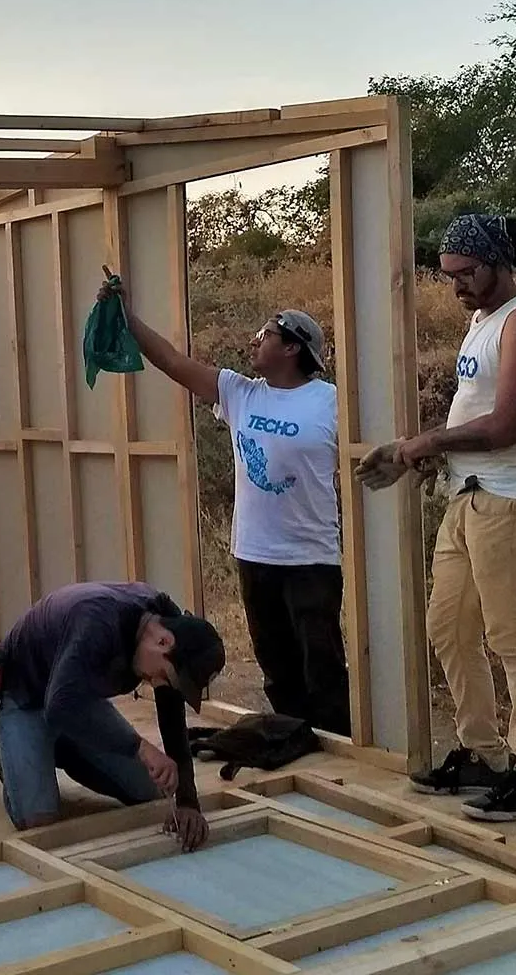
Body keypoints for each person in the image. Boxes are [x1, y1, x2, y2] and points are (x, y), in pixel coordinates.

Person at [105, 278, 349, 735]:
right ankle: (291, 738)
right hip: (255, 553)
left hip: (310, 556)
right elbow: (172, 361)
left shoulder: (330, 401)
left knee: (323, 663)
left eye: (267, 335)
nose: (255, 341)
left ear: (294, 348)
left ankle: (338, 744)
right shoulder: (241, 392)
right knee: (275, 661)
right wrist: (126, 317)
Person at [388, 213, 516, 821]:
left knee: (513, 637)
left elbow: (506, 425)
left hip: (513, 496)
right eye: (449, 276)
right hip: (470, 494)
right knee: (449, 628)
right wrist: (434, 453)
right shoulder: (483, 320)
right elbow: (476, 407)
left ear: (496, 263)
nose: (458, 286)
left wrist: (427, 442)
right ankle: (483, 754)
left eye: (466, 274)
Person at [0, 582, 227, 851]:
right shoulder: (98, 621)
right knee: (41, 823)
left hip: (75, 697)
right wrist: (139, 746)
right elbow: (60, 705)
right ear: (163, 642)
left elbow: (173, 722)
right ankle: (10, 758)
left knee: (149, 790)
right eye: (165, 677)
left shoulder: (168, 626)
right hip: (23, 697)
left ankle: (61, 747)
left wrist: (187, 800)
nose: (160, 684)